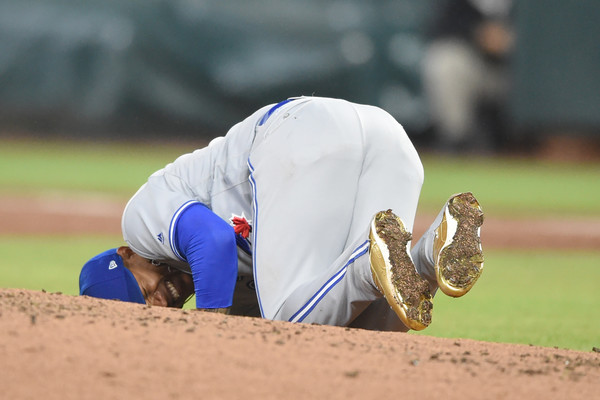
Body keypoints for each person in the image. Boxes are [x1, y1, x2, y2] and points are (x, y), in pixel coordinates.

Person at [79, 96, 485, 332]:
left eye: (140, 291)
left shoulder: (139, 222)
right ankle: (432, 253)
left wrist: (208, 336)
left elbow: (213, 241)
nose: (157, 303)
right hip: (388, 140)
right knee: (361, 327)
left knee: (289, 324)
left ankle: (367, 260)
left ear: (127, 256)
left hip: (301, 136)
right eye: (147, 311)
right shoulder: (234, 288)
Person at [422, 0, 514, 153]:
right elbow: (442, 29)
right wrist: (479, 33)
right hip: (475, 66)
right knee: (445, 61)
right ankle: (458, 140)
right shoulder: (457, 5)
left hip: (516, 72)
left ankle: (550, 142)